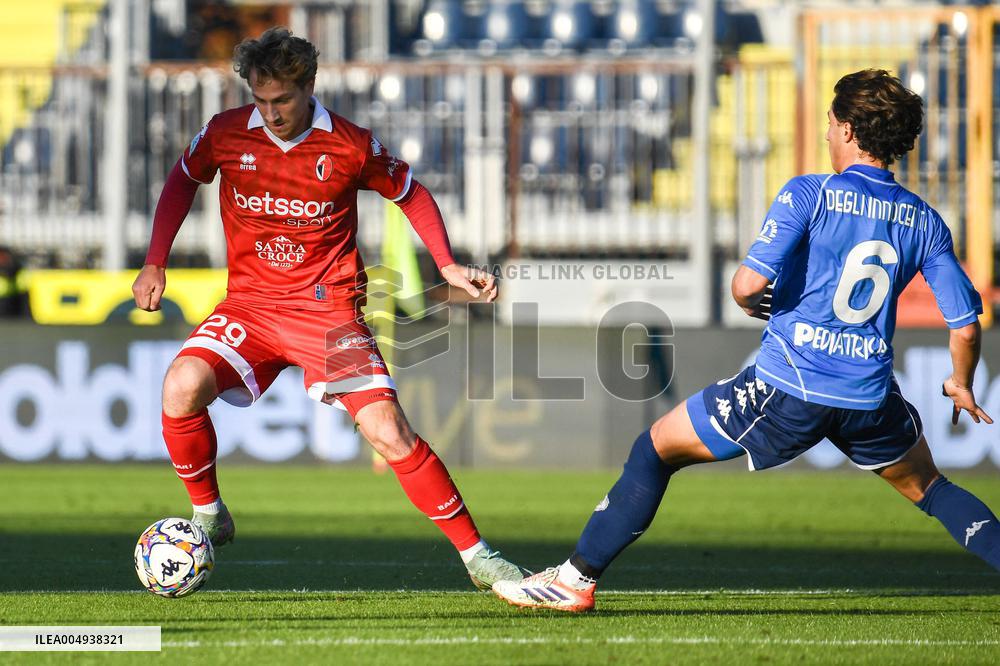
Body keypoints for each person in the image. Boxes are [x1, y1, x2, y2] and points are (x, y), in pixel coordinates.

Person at [493, 69, 999, 612]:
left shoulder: (811, 192)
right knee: (933, 489)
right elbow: (966, 324)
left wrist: (752, 301)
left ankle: (573, 581)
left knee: (654, 449)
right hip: (868, 397)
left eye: (830, 123)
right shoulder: (924, 220)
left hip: (789, 386)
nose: (827, 134)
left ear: (850, 130)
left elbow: (746, 285)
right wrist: (960, 383)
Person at [132, 27, 524, 590]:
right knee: (180, 385)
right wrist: (155, 261)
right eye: (260, 100)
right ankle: (209, 516)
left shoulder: (350, 144)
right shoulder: (224, 134)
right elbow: (182, 178)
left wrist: (447, 266)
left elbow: (410, 192)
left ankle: (478, 556)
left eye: (283, 100)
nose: (271, 113)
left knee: (389, 432)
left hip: (327, 313)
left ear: (310, 86)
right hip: (250, 307)